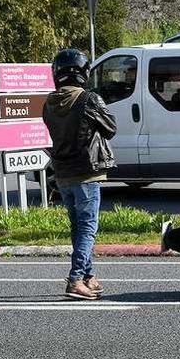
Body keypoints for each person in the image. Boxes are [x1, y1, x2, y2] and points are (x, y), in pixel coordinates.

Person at [42, 48, 117, 300]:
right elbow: (110, 128)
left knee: (78, 228)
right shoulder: (88, 99)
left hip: (62, 175)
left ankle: (88, 276)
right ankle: (75, 279)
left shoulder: (49, 103)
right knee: (87, 228)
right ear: (82, 72)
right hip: (86, 173)